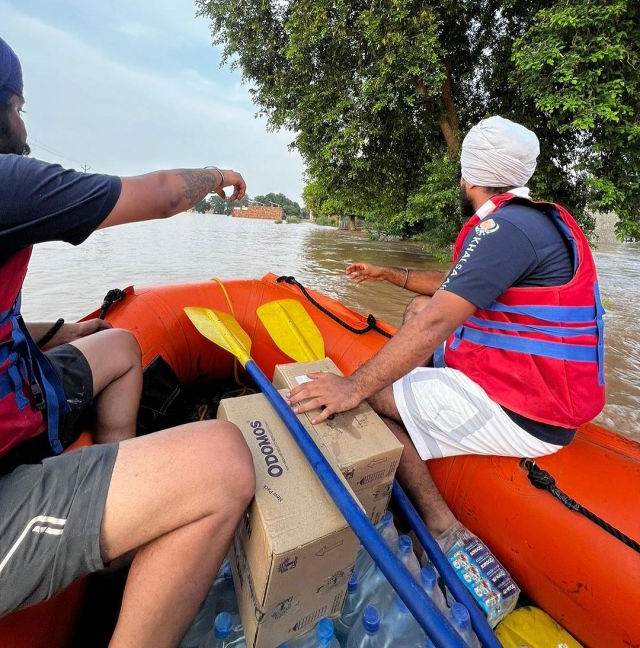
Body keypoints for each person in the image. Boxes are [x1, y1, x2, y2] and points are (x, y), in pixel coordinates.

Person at [0, 35, 256, 648]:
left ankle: (119, 521)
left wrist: (60, 332)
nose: (24, 129)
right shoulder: (7, 182)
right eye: (18, 109)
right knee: (226, 460)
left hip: (18, 396)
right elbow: (163, 193)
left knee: (117, 344)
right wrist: (219, 175)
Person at [287, 116, 606, 547]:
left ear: (469, 177)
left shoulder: (504, 229)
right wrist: (390, 274)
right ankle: (417, 400)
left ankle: (439, 521)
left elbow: (439, 321)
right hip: (530, 384)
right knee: (418, 307)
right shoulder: (527, 222)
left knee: (371, 396)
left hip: (526, 411)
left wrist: (353, 386)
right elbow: (455, 287)